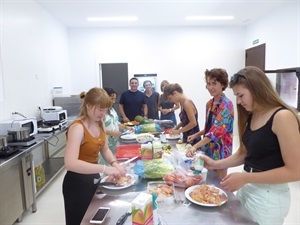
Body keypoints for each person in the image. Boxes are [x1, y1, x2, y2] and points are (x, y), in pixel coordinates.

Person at [201, 66, 300, 225]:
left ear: (257, 89)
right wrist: (215, 164)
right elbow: (244, 154)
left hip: (269, 195)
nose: (238, 102)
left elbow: (295, 171)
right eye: (236, 96)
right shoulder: (252, 115)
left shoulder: (282, 117)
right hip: (249, 187)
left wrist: (246, 177)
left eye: (241, 95)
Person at [62, 87, 126, 225]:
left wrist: (114, 164)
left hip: (93, 179)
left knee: (94, 219)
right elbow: (70, 163)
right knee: (79, 221)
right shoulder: (78, 127)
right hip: (77, 184)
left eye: (105, 110)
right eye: (100, 110)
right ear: (88, 106)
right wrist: (104, 168)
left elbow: (105, 149)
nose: (103, 114)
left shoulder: (99, 123)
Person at [186, 68, 234, 178]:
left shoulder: (227, 105)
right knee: (207, 179)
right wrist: (196, 134)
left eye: (214, 84)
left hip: (221, 150)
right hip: (208, 147)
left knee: (220, 182)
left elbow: (215, 132)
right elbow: (210, 128)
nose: (211, 87)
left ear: (222, 84)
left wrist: (194, 147)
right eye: (208, 84)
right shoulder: (209, 104)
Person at [98, 87, 131, 164]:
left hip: (114, 143)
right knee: (105, 167)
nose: (113, 101)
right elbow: (96, 129)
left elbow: (116, 123)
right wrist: (111, 133)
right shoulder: (99, 112)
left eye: (114, 99)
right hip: (104, 145)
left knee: (114, 163)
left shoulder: (112, 110)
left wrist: (126, 127)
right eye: (111, 99)